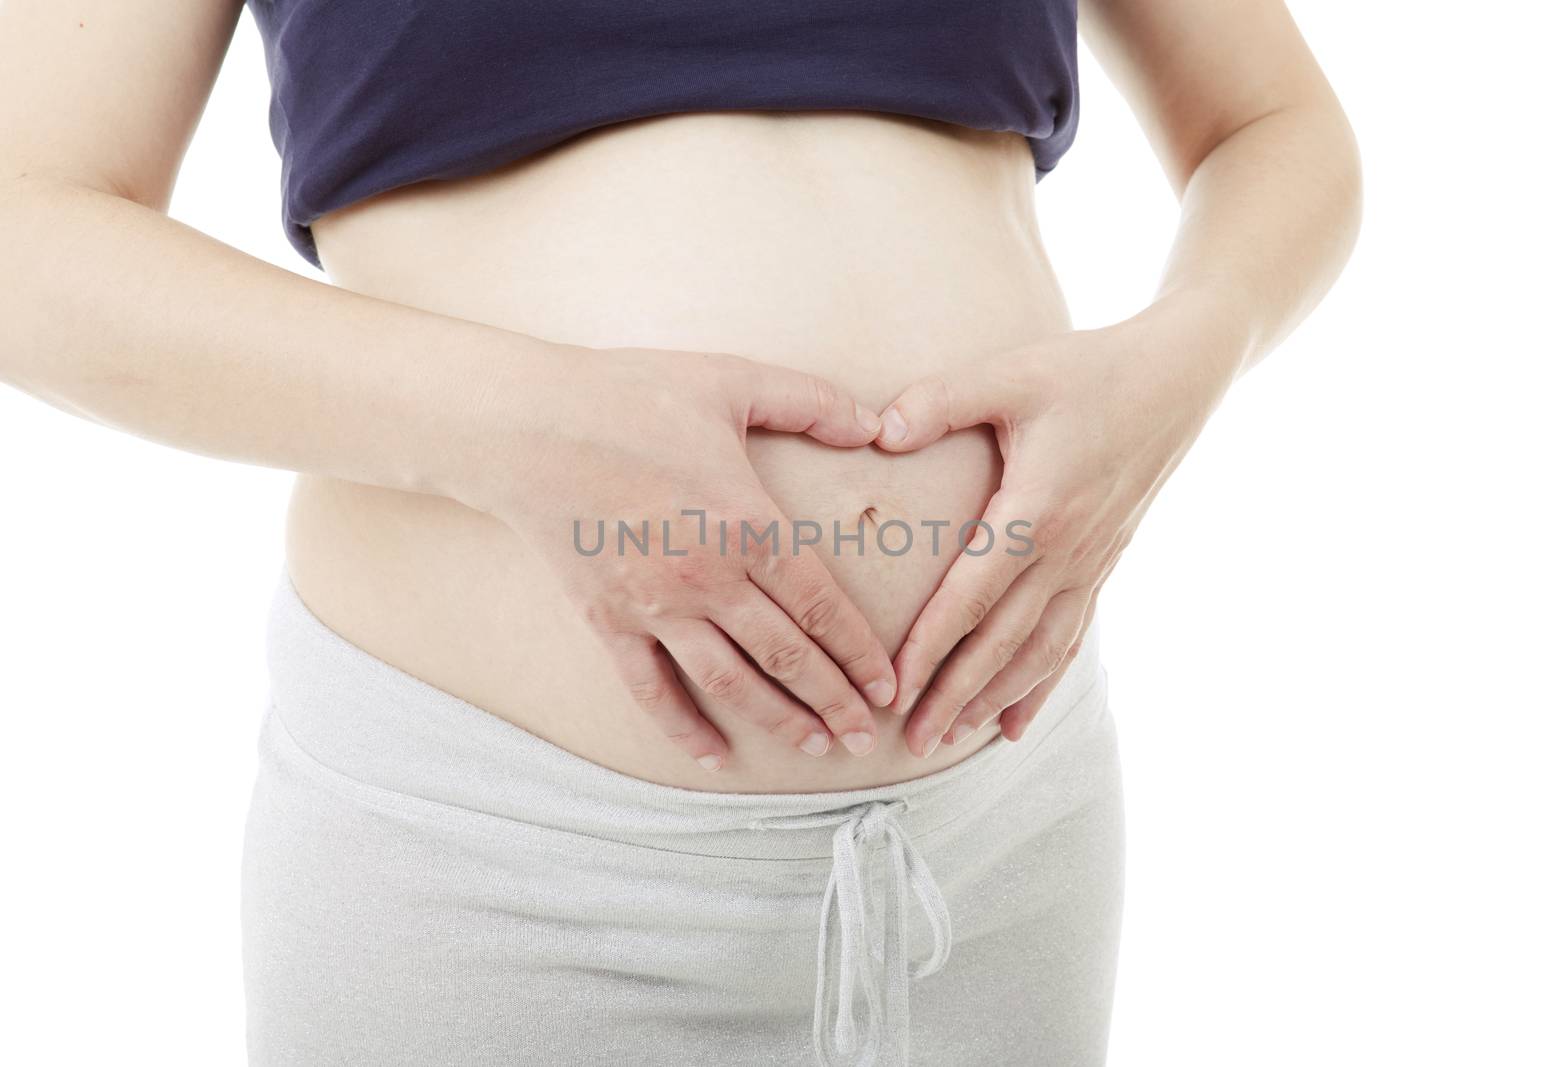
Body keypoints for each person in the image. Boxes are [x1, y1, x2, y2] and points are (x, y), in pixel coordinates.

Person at [0, 1, 1360, 1063]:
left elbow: (1273, 122)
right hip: (498, 861)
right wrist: (520, 424)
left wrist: (1185, 356)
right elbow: (27, 236)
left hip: (1001, 837)